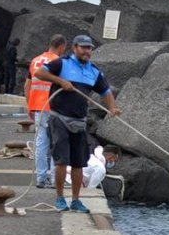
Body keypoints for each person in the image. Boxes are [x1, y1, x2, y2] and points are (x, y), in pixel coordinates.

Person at [34, 34, 121, 214]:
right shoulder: (62, 63)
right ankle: (59, 198)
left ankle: (75, 200)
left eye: (89, 48)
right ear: (74, 48)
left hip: (79, 121)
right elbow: (39, 72)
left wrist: (112, 108)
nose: (86, 51)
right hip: (59, 118)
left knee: (78, 163)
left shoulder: (94, 72)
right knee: (61, 161)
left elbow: (105, 91)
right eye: (83, 47)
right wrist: (61, 81)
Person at [24, 35, 67, 189]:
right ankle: (56, 180)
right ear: (61, 46)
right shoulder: (60, 63)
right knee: (57, 142)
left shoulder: (35, 61)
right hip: (54, 107)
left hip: (37, 107)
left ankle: (41, 178)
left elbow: (27, 86)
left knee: (41, 142)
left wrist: (29, 106)